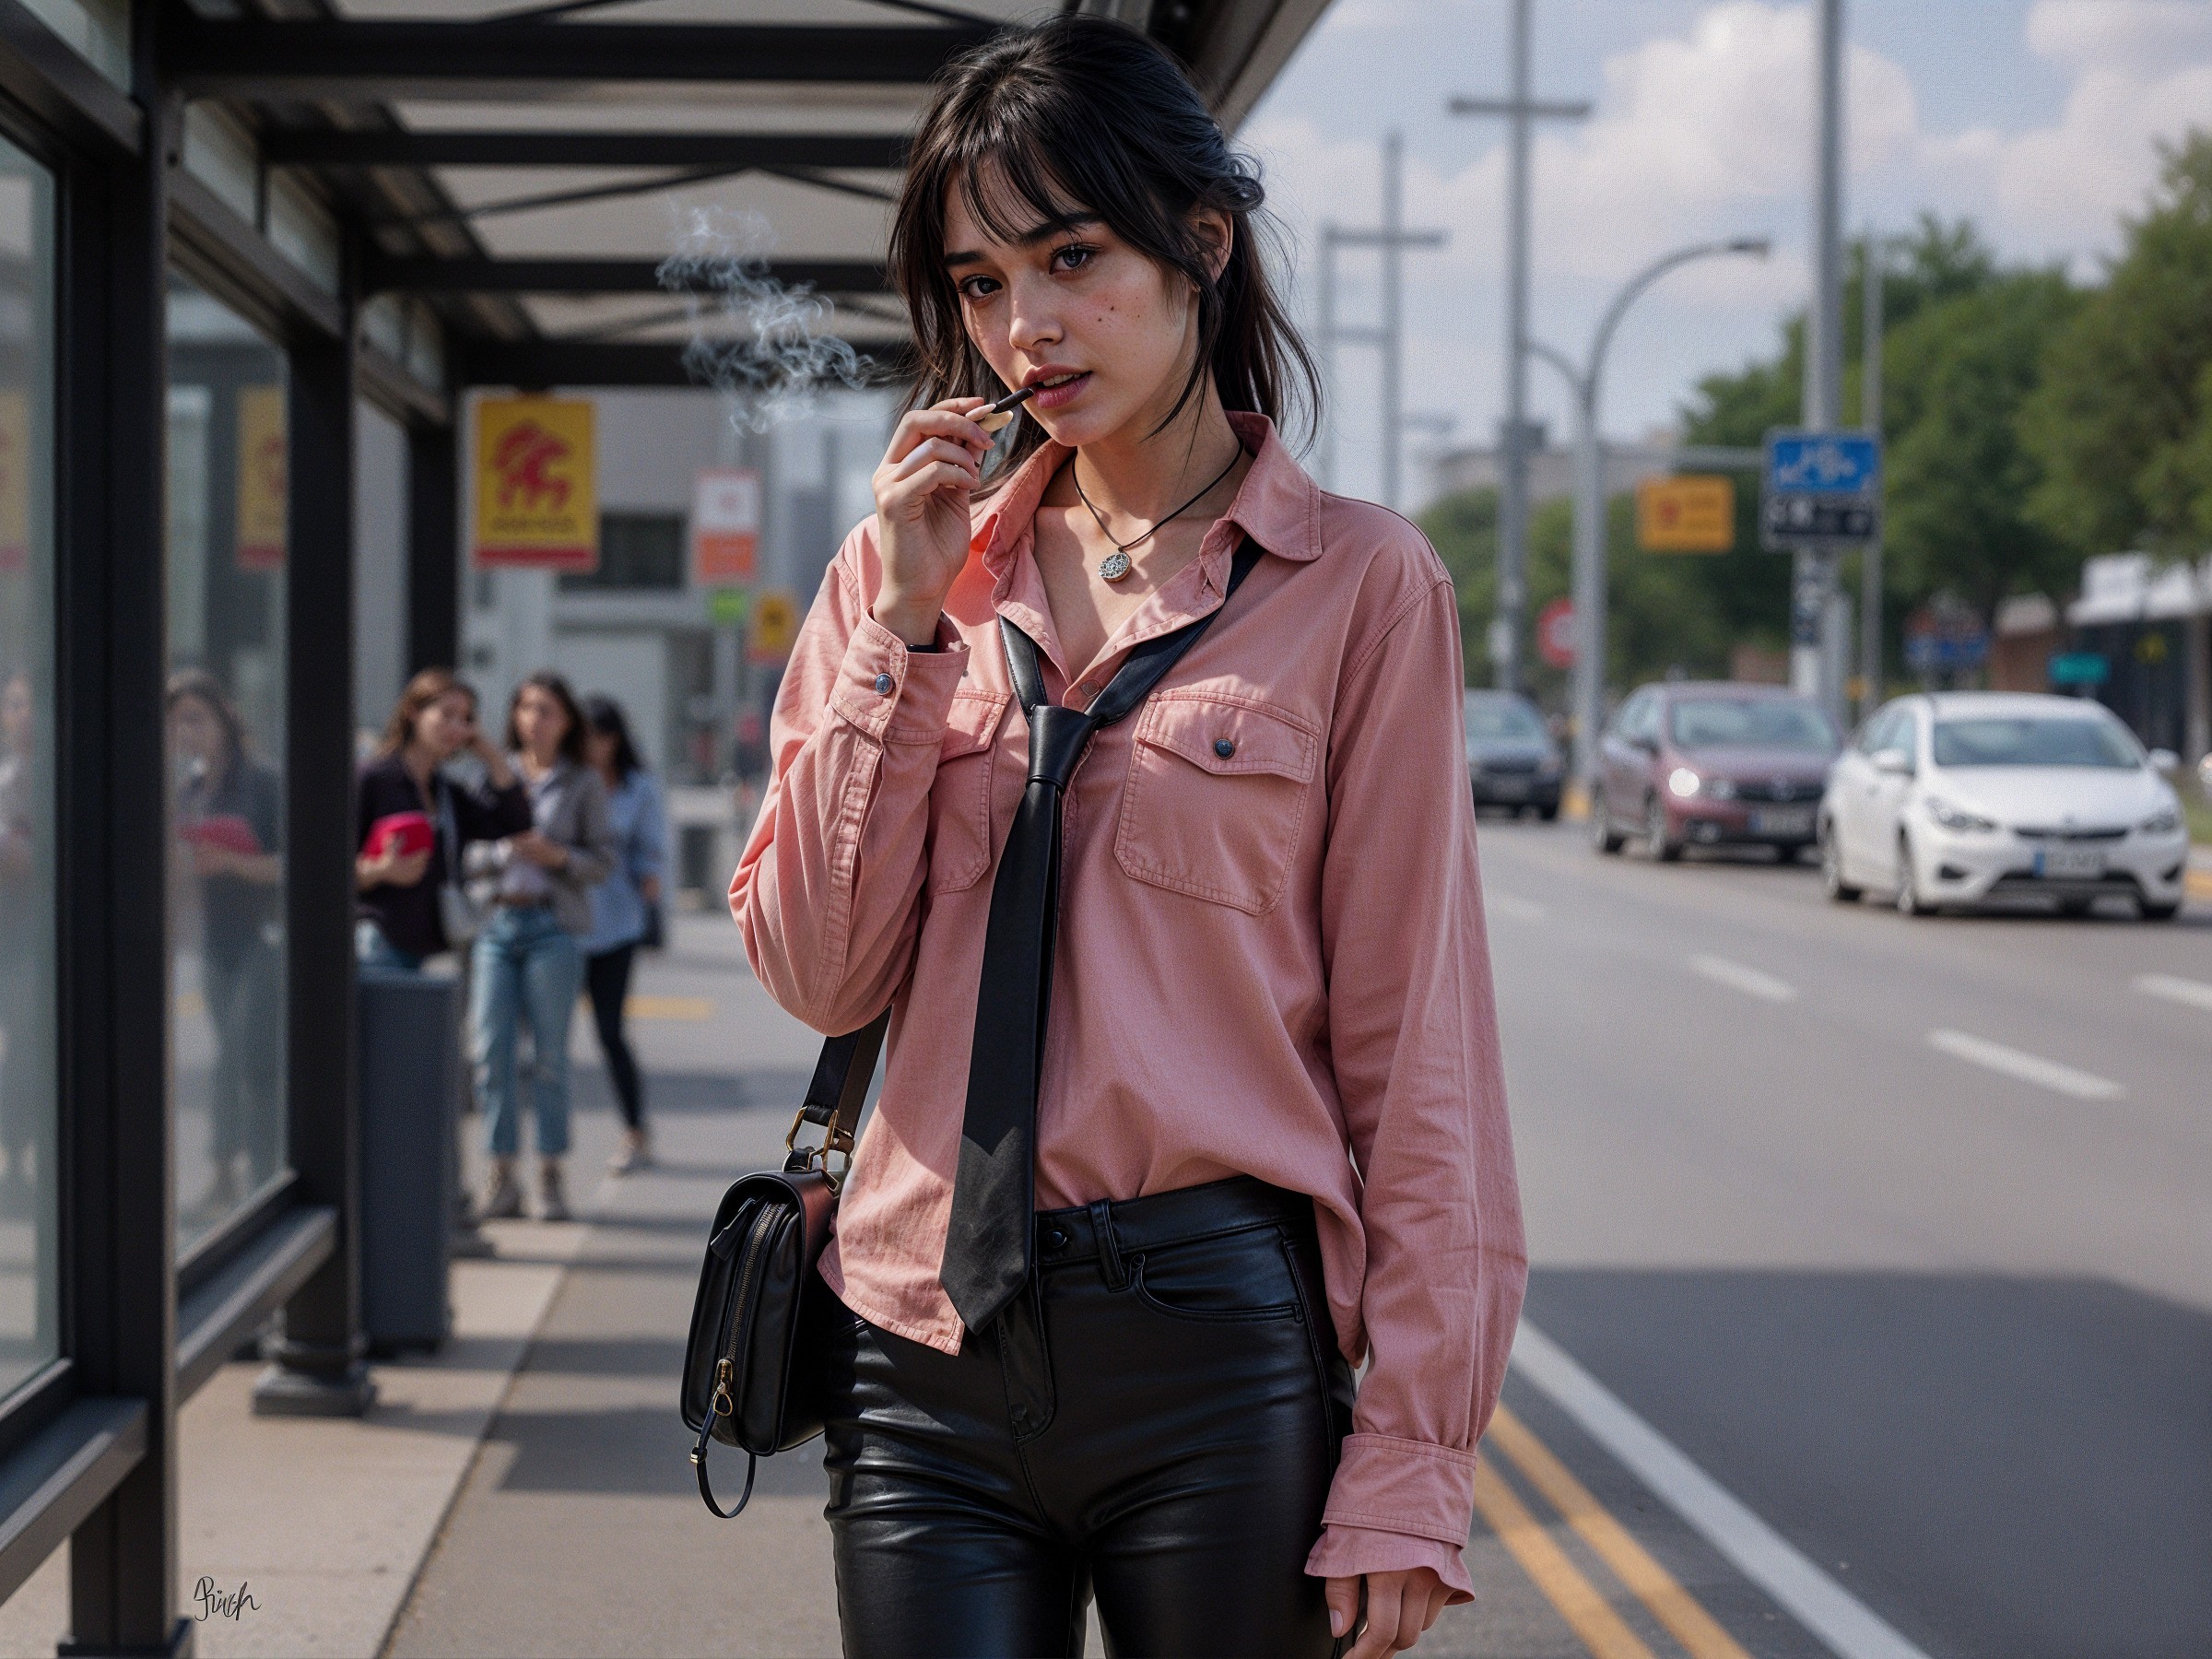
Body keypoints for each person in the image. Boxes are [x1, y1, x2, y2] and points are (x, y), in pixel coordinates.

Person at [730, 19, 1524, 1659]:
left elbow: (1418, 1057)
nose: (1026, 326)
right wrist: (902, 629)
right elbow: (819, 973)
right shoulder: (899, 583)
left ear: (1201, 247)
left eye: (1073, 256)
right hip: (913, 1346)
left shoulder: (1363, 591)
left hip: (1214, 1360)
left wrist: (1413, 1453)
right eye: (978, 281)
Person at [469, 672, 614, 1223]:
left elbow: (602, 862)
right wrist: (500, 853)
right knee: (490, 1054)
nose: (534, 719)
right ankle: (502, 1174)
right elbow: (466, 853)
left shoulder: (582, 783)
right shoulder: (491, 777)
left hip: (553, 928)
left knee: (548, 1059)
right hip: (496, 924)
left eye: (547, 709)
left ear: (567, 721)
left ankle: (550, 1175)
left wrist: (554, 856)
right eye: (526, 707)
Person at [167, 669, 286, 1223]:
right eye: (177, 722)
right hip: (215, 940)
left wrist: (235, 860)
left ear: (223, 719)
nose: (187, 732)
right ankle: (228, 1176)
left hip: (266, 937)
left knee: (243, 1059)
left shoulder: (261, 783)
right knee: (232, 1058)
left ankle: (259, 1176)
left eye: (197, 718)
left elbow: (295, 864)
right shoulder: (188, 788)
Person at [356, 668, 532, 972]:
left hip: (435, 945)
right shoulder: (374, 779)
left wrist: (489, 754)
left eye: (465, 719)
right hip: (380, 939)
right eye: (446, 714)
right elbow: (326, 871)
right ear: (413, 712)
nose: (456, 727)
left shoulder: (446, 791)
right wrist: (381, 870)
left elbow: (515, 823)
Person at [578, 694, 668, 1173]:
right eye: (589, 737)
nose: (596, 747)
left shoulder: (637, 786)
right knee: (535, 1042)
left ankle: (635, 1132)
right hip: (564, 925)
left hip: (616, 925)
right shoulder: (568, 780)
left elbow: (652, 849)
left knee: (610, 1032)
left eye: (603, 736)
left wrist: (650, 881)